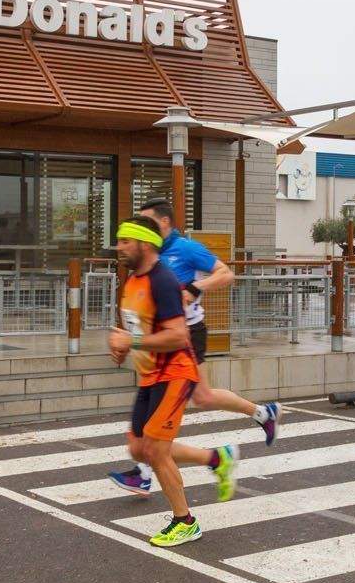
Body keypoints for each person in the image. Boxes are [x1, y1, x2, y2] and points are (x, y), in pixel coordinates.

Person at [108, 199, 279, 497]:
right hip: (155, 343)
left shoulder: (185, 248)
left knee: (194, 401)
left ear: (163, 223)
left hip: (185, 336)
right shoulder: (142, 264)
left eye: (145, 222)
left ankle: (151, 470)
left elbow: (226, 273)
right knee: (200, 398)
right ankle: (256, 420)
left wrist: (195, 288)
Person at [107, 217, 237, 547]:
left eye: (125, 241)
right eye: (118, 241)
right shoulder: (132, 281)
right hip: (150, 374)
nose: (119, 247)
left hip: (176, 373)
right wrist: (123, 345)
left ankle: (185, 521)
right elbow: (139, 329)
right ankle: (216, 459)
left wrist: (131, 344)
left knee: (155, 448)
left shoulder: (162, 281)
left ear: (145, 244)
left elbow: (178, 335)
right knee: (138, 448)